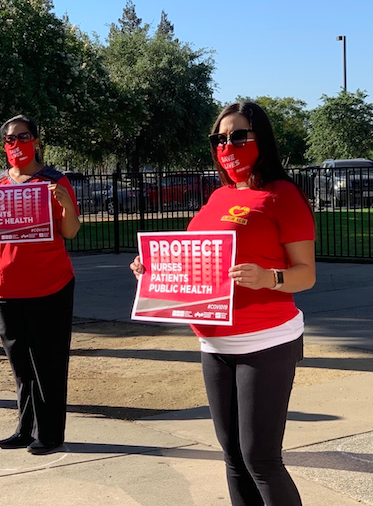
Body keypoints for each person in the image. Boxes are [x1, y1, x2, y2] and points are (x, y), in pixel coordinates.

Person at [130, 102, 316, 506]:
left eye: (237, 135)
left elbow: (306, 273)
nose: (226, 144)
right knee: (232, 456)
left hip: (265, 342)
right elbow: (198, 257)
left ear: (260, 139)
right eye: (219, 138)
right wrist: (154, 267)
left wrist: (271, 278)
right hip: (213, 344)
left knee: (261, 459)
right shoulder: (218, 197)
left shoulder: (282, 195)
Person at [0, 115, 80, 455]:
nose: (16, 145)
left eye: (22, 137)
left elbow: (70, 231)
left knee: (48, 364)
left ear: (36, 140)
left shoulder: (55, 181)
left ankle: (51, 433)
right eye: (9, 140)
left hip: (49, 286)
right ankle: (25, 429)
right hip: (4, 288)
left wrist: (66, 205)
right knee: (21, 366)